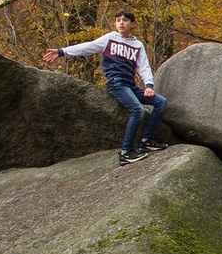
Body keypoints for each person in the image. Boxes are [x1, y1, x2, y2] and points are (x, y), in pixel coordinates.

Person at [44, 11, 169, 166]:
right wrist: (62, 52)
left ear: (133, 24)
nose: (121, 23)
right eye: (118, 20)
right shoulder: (109, 39)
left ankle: (147, 140)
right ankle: (126, 152)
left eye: (125, 20)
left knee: (160, 102)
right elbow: (88, 47)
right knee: (138, 110)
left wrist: (149, 86)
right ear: (115, 24)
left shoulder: (137, 45)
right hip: (116, 84)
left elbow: (144, 67)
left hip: (130, 85)